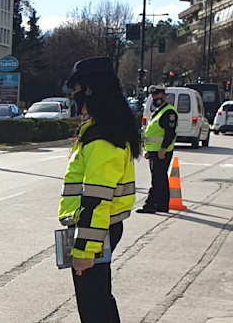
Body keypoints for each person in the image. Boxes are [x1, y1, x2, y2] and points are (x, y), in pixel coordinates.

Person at [58, 57, 140, 323]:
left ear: (90, 91)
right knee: (98, 299)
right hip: (95, 228)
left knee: (94, 304)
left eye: (77, 90)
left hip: (95, 230)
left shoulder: (103, 138)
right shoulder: (103, 130)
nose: (75, 97)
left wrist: (84, 251)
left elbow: (96, 199)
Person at [137, 85, 178, 214]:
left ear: (164, 96)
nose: (155, 98)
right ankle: (162, 204)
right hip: (155, 151)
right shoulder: (159, 111)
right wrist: (149, 150)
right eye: (153, 96)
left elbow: (170, 133)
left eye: (158, 96)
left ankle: (150, 205)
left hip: (162, 152)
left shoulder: (168, 112)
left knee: (157, 179)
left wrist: (163, 149)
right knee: (161, 178)